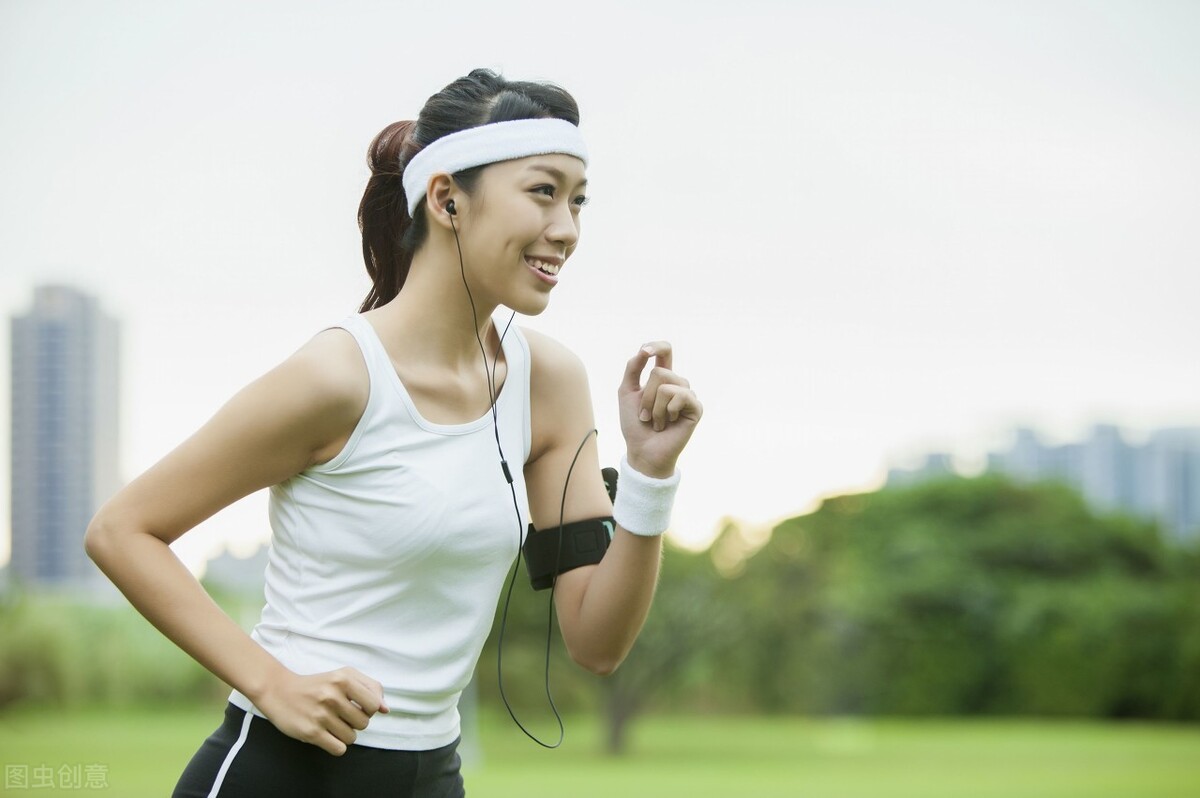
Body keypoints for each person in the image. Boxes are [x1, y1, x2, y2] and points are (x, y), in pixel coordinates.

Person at [85, 68, 702, 797]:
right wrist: (271, 682)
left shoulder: (552, 386)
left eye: (577, 200)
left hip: (432, 776)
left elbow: (596, 643)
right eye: (542, 191)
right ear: (446, 200)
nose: (566, 228)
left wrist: (650, 476)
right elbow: (123, 530)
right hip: (283, 773)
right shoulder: (338, 377)